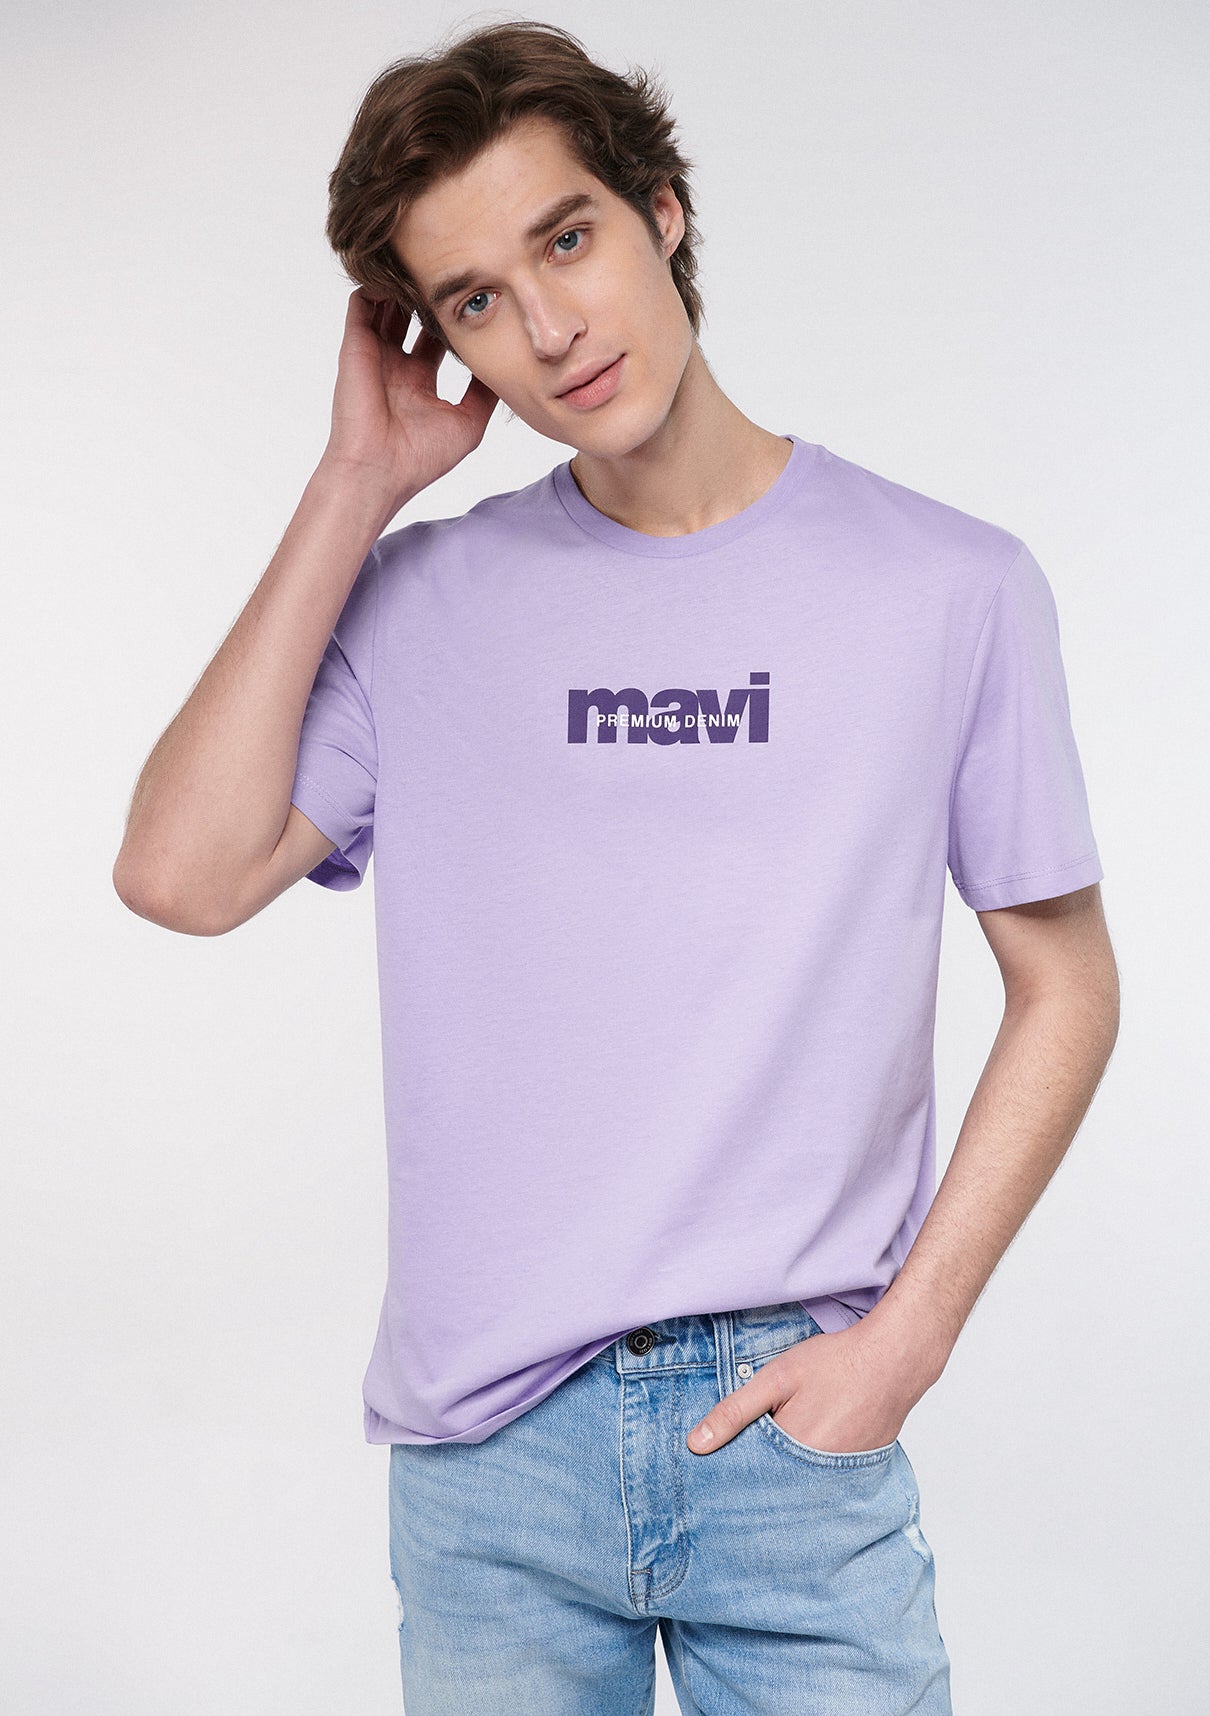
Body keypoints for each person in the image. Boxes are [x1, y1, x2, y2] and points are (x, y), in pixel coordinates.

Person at [113, 19, 1120, 1715]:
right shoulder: (423, 605)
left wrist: (909, 1337)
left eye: (565, 238)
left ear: (660, 210)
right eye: (474, 300)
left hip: (792, 1430)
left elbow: (1065, 981)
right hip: (494, 1461)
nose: (549, 326)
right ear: (438, 340)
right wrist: (355, 485)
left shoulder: (948, 588)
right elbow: (179, 874)